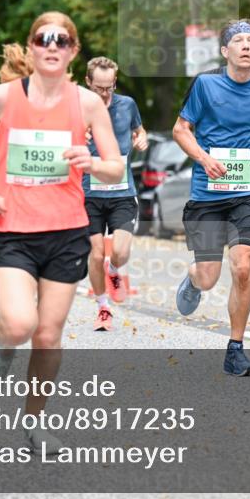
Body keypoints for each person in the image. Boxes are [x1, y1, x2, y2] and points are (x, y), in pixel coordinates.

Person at [0, 12, 123, 452]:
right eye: (43, 39)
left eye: (62, 40)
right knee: (18, 323)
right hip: (12, 228)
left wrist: (94, 164)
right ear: (30, 48)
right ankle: (3, 350)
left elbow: (116, 165)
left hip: (66, 231)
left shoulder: (88, 103)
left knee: (48, 335)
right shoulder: (1, 98)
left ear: (74, 50)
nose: (52, 46)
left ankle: (34, 421)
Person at [171, 18, 250, 377]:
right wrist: (204, 159)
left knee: (242, 265)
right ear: (225, 51)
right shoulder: (206, 85)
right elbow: (180, 129)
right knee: (209, 276)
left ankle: (235, 349)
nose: (246, 45)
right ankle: (193, 280)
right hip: (208, 194)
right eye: (238, 40)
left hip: (248, 192)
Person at [82, 57, 148, 331]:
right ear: (88, 83)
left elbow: (138, 129)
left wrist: (141, 138)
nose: (105, 94)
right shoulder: (78, 107)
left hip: (122, 192)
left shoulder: (127, 105)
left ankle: (114, 272)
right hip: (89, 194)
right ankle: (103, 308)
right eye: (99, 88)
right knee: (96, 254)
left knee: (119, 253)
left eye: (109, 87)